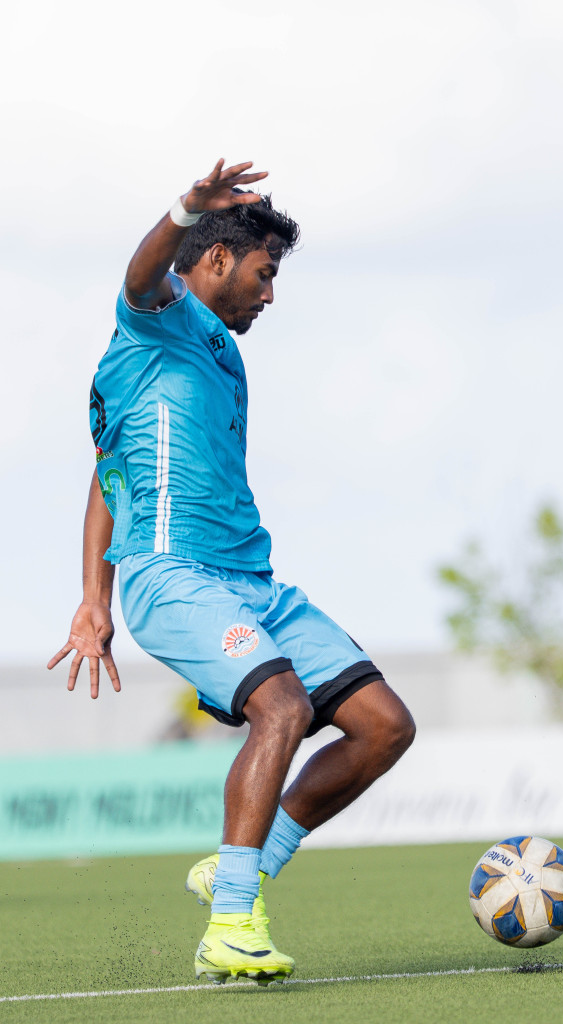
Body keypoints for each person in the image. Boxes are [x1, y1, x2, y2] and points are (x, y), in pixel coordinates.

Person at [49, 160, 418, 985]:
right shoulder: (158, 320)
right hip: (175, 577)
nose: (270, 292)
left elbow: (108, 478)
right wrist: (186, 209)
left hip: (254, 583)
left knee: (384, 725)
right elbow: (141, 274)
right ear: (215, 260)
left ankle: (239, 866)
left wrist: (86, 601)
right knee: (281, 708)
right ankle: (231, 926)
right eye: (265, 271)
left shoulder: (214, 352)